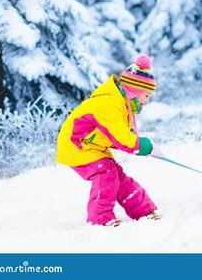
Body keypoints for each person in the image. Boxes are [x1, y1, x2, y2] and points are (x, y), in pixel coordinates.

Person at [56, 54, 163, 226]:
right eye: (147, 96)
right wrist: (146, 147)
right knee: (106, 174)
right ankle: (100, 218)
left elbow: (118, 136)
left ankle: (144, 210)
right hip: (76, 146)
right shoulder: (109, 103)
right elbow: (122, 139)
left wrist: (141, 146)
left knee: (117, 177)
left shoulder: (122, 103)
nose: (147, 100)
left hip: (93, 146)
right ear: (135, 91)